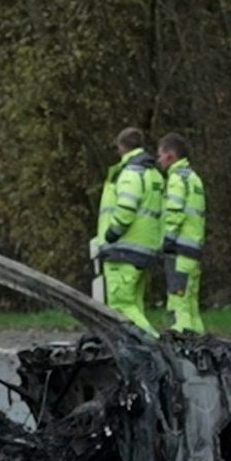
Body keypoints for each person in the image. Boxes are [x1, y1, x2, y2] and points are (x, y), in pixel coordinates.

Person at [92, 128, 164, 335]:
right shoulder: (153, 173)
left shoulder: (130, 173)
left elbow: (126, 207)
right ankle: (141, 358)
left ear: (121, 147)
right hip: (145, 248)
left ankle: (156, 347)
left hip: (123, 249)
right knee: (135, 305)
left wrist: (112, 233)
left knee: (121, 306)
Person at [158, 133, 207, 333]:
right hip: (193, 250)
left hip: (179, 250)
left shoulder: (177, 179)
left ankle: (183, 346)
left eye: (160, 155)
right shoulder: (193, 178)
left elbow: (175, 212)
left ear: (170, 156)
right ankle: (201, 344)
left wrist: (168, 238)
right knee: (191, 305)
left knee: (179, 305)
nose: (159, 160)